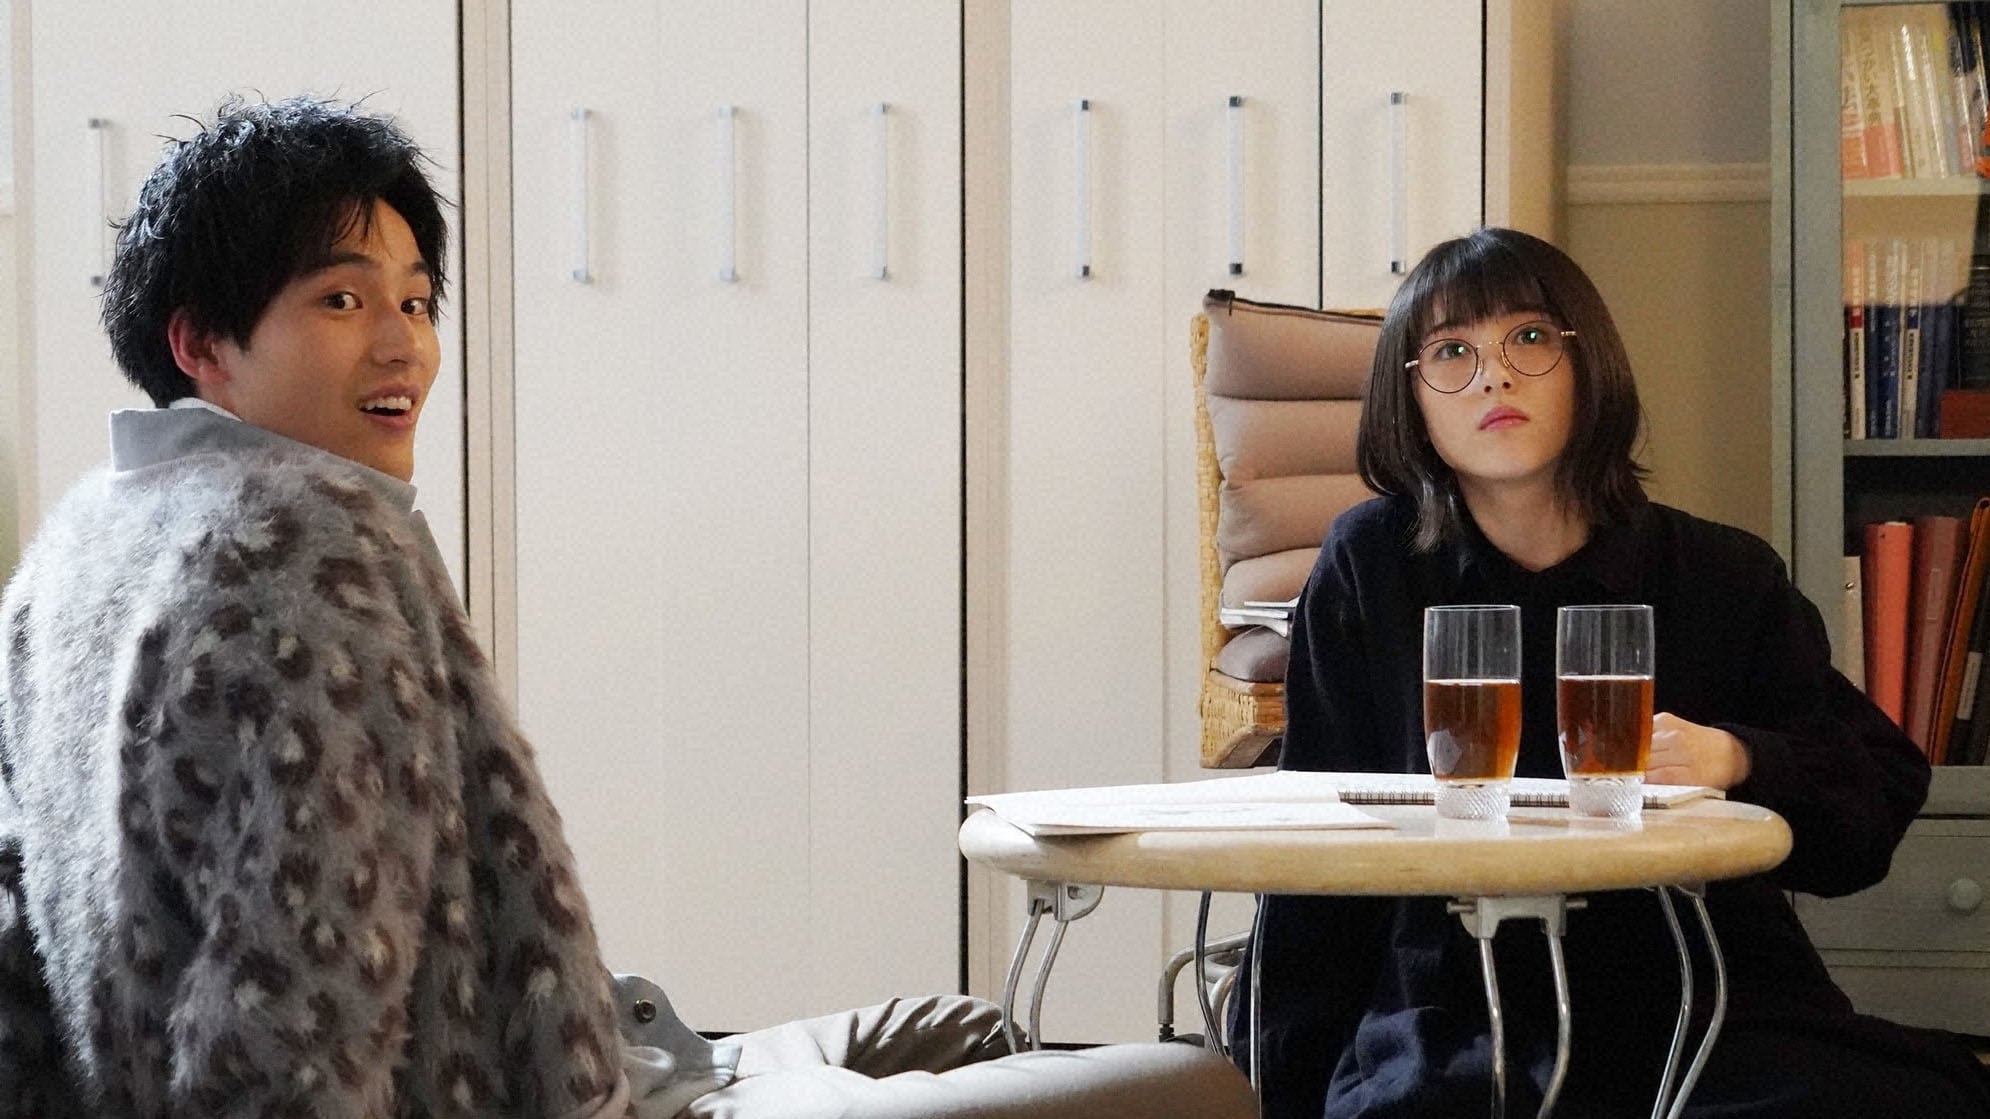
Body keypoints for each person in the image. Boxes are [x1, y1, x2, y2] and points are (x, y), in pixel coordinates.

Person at [0, 96, 1256, 1119]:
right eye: (342, 301)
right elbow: (301, 1006)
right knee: (1197, 1086)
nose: (402, 345)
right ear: (201, 344)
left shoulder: (75, 556)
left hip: (628, 1044)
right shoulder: (302, 544)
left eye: (417, 301)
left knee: (969, 1030)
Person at [1231, 227, 1990, 1117]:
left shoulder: (1722, 573)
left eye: (1528, 337)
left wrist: (1739, 757)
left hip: (1701, 999)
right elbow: (1316, 847)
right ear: (1412, 399)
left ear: (1588, 362)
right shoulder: (1371, 565)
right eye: (1450, 352)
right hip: (1459, 1012)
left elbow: (1870, 807)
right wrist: (1275, 1082)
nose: (1493, 377)